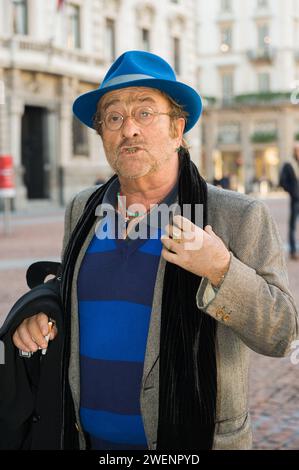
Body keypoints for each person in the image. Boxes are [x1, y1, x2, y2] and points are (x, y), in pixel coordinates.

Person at [11, 50, 298, 450]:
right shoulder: (83, 208)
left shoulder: (237, 215)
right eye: (113, 117)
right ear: (102, 135)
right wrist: (43, 322)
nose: (129, 129)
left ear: (178, 129)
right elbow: (79, 304)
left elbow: (283, 333)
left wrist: (221, 269)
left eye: (145, 113)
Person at [279, 147, 299, 260]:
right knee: (292, 226)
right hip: (296, 200)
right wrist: (292, 191)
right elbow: (282, 181)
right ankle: (293, 251)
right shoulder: (289, 164)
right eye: (297, 150)